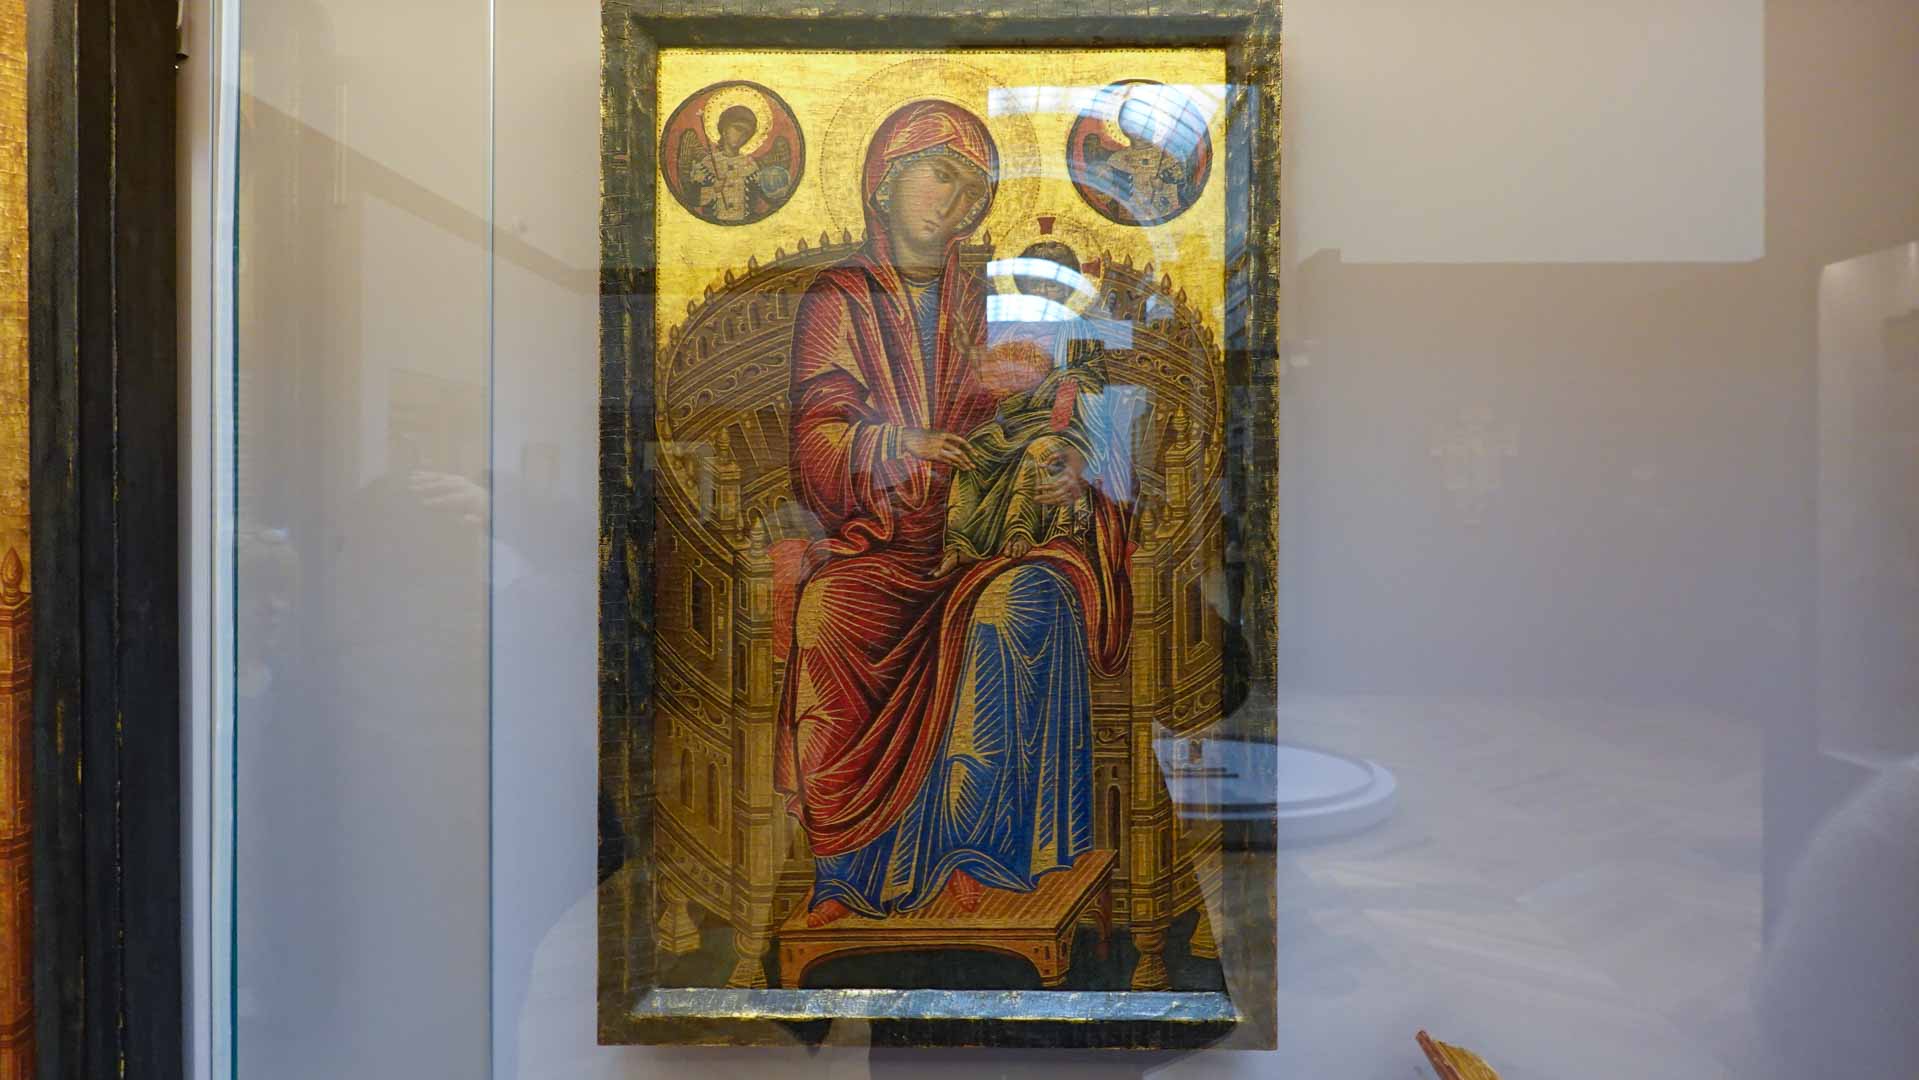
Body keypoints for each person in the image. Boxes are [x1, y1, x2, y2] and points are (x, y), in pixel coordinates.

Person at [774, 100, 1136, 929]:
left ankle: (975, 853)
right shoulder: (839, 296)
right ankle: (844, 870)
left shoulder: (994, 293)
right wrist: (897, 445)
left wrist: (1071, 462)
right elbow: (815, 434)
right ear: (884, 181)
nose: (957, 201)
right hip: (885, 534)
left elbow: (1063, 396)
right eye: (941, 175)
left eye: (974, 189)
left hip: (996, 535)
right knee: (827, 610)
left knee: (1005, 608)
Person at [936, 241, 1114, 577]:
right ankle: (960, 544)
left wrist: (1062, 388)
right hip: (1016, 420)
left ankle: (1020, 531)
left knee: (1039, 451)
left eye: (1052, 285)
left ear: (1067, 288)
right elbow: (996, 378)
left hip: (1066, 422)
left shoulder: (1078, 330)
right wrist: (971, 353)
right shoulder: (1012, 329)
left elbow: (1090, 382)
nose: (1043, 293)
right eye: (1035, 284)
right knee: (975, 450)